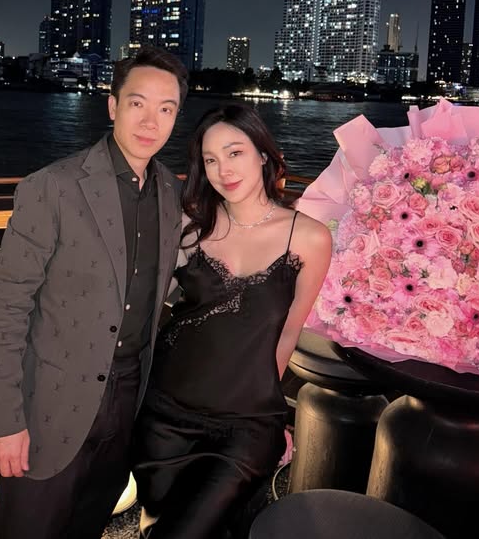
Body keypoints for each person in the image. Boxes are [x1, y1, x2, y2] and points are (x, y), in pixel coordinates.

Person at [0, 45, 189, 539]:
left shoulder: (173, 194)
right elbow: (6, 308)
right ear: (112, 106)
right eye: (137, 103)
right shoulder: (52, 187)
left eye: (166, 108)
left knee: (88, 524)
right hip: (49, 404)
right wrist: (2, 421)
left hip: (129, 400)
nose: (150, 121)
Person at [132, 102, 333, 539]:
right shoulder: (190, 225)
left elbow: (288, 333)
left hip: (244, 425)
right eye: (210, 160)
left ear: (263, 154)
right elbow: (144, 299)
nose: (223, 170)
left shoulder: (310, 238)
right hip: (163, 411)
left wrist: (267, 410)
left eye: (235, 152)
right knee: (166, 520)